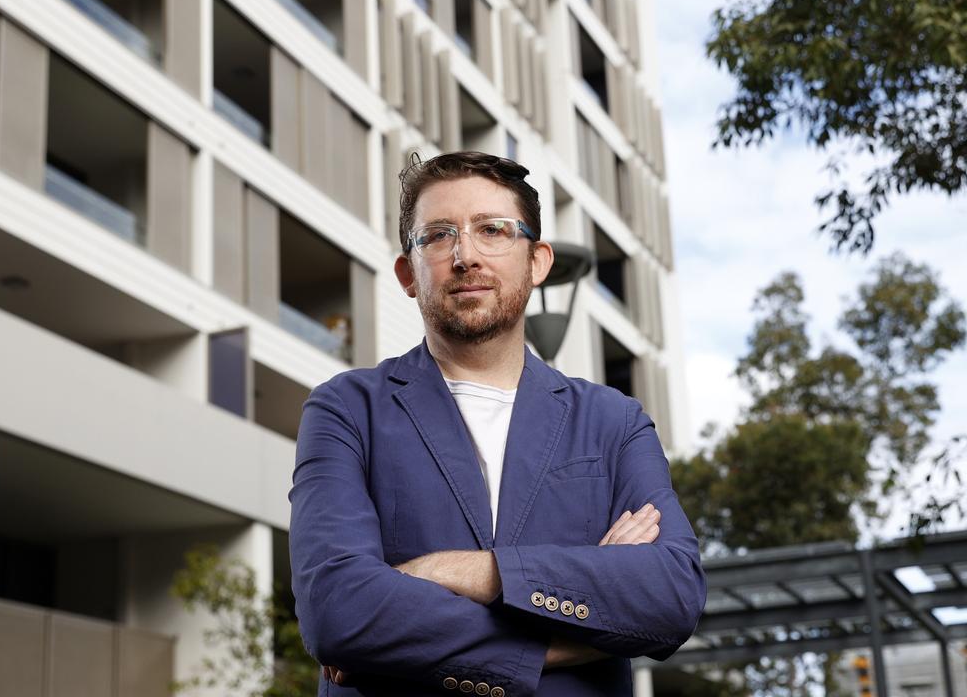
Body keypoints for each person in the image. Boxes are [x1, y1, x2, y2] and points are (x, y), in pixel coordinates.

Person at [289, 151, 706, 696]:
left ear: (536, 261)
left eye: (493, 230)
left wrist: (465, 571)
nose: (465, 256)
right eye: (437, 236)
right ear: (407, 273)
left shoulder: (613, 422)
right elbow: (337, 611)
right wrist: (578, 628)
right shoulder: (346, 409)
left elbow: (671, 595)